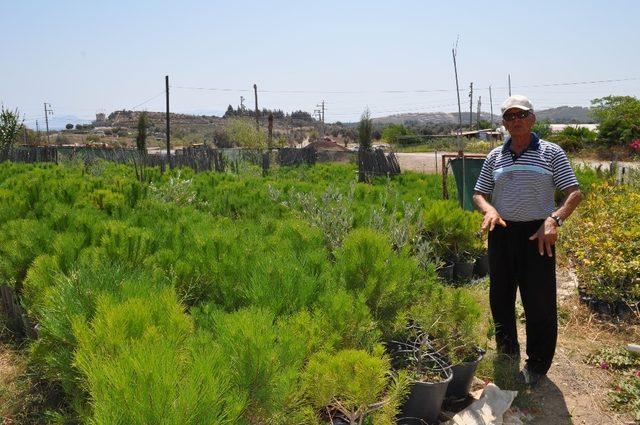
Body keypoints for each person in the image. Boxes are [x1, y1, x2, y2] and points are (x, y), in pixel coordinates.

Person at [472, 95, 582, 387]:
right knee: (501, 299)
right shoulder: (495, 155)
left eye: (521, 114)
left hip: (538, 234)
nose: (516, 120)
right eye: (510, 116)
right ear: (504, 123)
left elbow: (574, 192)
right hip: (502, 233)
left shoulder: (551, 152)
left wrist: (554, 219)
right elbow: (479, 193)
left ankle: (537, 365)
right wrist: (489, 209)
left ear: (533, 118)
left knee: (539, 302)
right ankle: (507, 357)